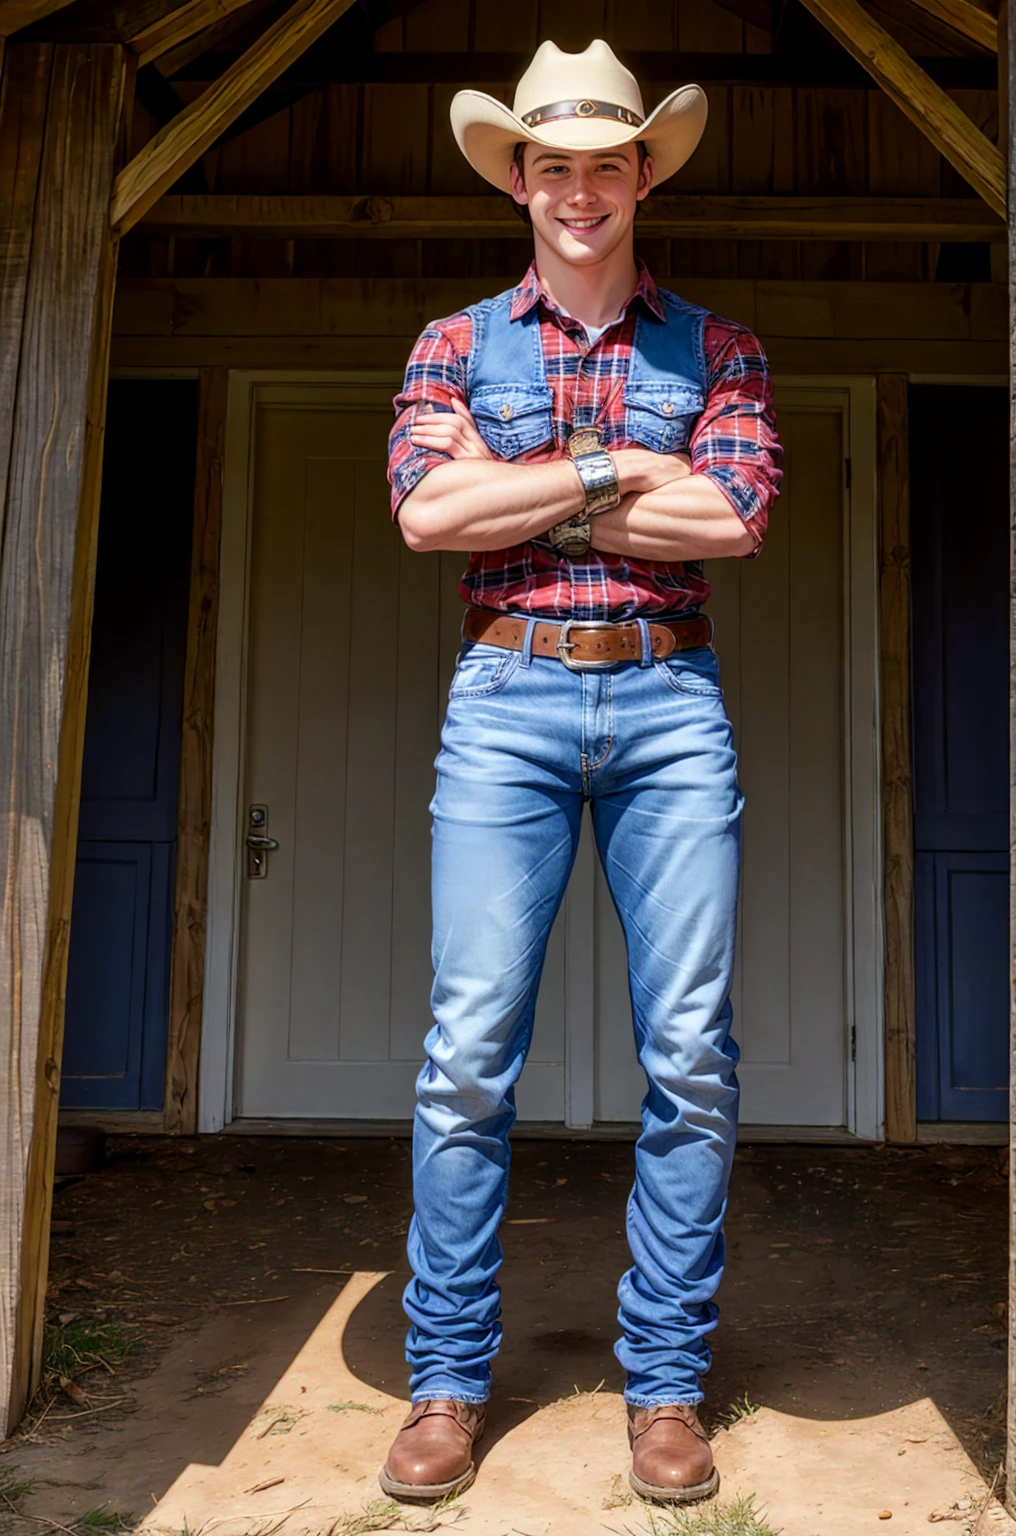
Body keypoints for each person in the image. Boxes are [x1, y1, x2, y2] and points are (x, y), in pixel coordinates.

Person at [379, 38, 783, 1507]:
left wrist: (535, 481)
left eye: (605, 162)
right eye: (553, 164)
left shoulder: (719, 348)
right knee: (469, 1055)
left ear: (642, 174)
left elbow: (733, 521)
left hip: (670, 697)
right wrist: (622, 477)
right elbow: (430, 518)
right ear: (519, 181)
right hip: (505, 699)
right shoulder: (449, 342)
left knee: (688, 1057)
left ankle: (666, 1388)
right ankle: (446, 1385)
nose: (580, 188)